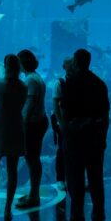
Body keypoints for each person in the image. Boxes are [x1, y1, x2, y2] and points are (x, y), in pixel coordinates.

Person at [60, 48, 110, 221]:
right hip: (95, 138)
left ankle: (76, 216)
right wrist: (103, 137)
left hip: (75, 139)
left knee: (75, 179)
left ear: (75, 62)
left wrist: (66, 134)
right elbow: (105, 115)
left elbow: (65, 114)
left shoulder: (69, 84)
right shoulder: (99, 84)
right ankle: (99, 213)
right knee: (96, 178)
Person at [0, 54, 27, 219]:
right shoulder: (23, 86)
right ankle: (8, 209)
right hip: (16, 128)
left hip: (0, 129)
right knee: (12, 170)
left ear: (5, 66)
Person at [17, 49, 48, 209]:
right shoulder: (37, 77)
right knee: (33, 159)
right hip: (40, 120)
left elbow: (29, 105)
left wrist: (21, 125)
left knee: (32, 159)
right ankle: (33, 192)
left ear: (22, 63)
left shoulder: (30, 81)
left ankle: (34, 196)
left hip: (33, 124)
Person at [51, 57, 73, 188]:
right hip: (64, 122)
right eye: (68, 64)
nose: (71, 66)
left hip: (76, 122)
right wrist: (60, 122)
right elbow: (55, 105)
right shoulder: (60, 83)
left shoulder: (79, 82)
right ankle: (60, 178)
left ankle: (75, 176)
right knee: (62, 150)